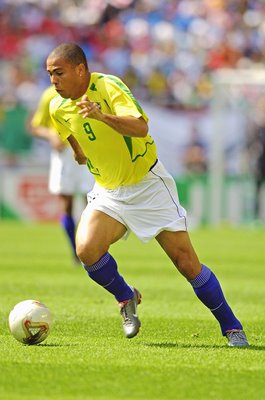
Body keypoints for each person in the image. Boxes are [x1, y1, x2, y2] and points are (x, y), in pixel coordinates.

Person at [46, 42, 249, 347]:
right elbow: (73, 139)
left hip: (147, 184)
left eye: (59, 73)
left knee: (186, 263)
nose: (53, 81)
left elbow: (140, 128)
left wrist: (102, 117)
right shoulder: (56, 107)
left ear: (80, 69)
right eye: (49, 74)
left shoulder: (109, 86)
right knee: (87, 250)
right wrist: (79, 154)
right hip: (110, 192)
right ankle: (126, 297)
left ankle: (232, 328)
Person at [30, 85, 94, 263]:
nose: (56, 78)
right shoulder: (49, 94)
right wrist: (52, 136)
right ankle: (75, 252)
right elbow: (36, 126)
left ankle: (91, 248)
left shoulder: (87, 91)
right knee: (68, 204)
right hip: (64, 155)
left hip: (87, 151)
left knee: (92, 202)